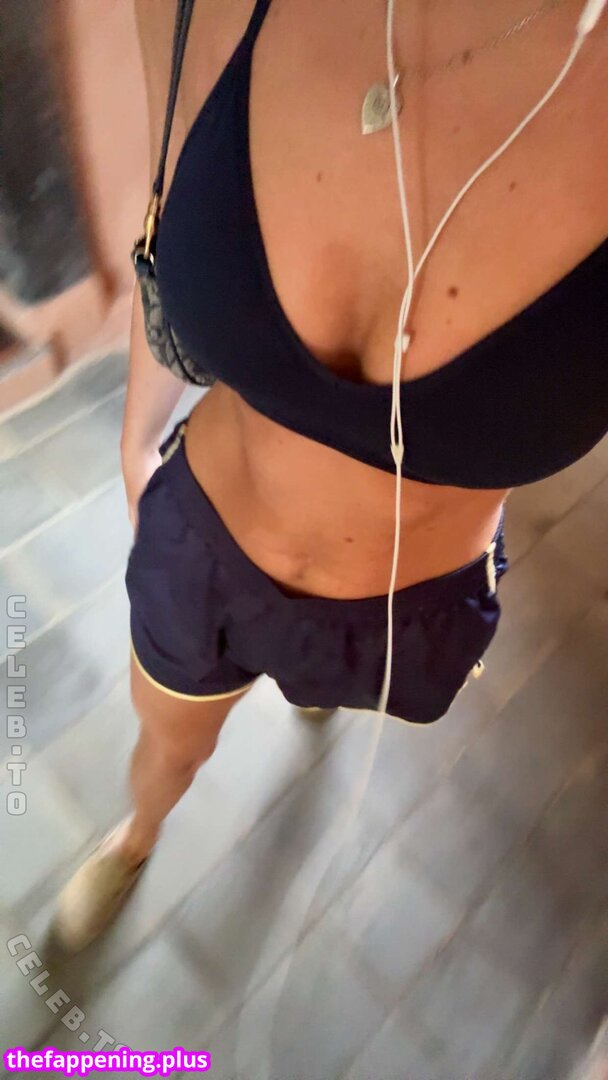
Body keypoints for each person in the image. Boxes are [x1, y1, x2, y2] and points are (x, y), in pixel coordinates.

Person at [54, 0, 607, 950]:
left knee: (320, 691)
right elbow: (168, 222)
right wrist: (135, 443)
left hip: (406, 613)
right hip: (207, 549)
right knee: (169, 748)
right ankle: (138, 838)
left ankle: (310, 691)